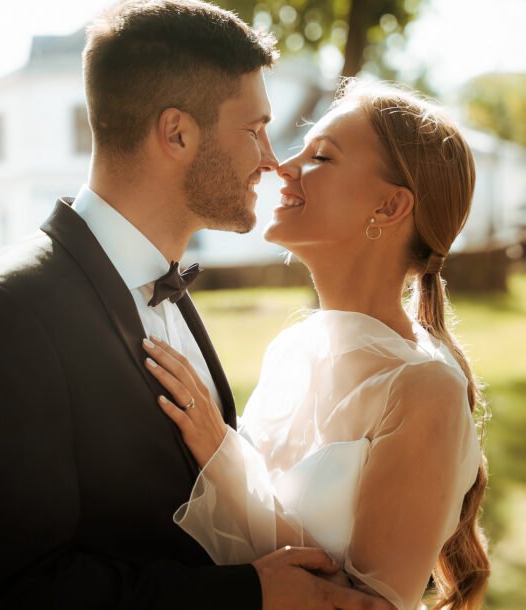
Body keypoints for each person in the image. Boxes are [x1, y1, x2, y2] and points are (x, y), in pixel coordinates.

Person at [0, 1, 392, 609]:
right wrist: (247, 595)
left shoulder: (168, 291)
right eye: (254, 130)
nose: (271, 159)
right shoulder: (3, 314)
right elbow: (9, 591)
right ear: (177, 132)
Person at [142, 80, 491, 610]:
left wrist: (222, 454)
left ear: (390, 206)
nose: (282, 166)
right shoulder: (291, 349)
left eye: (321, 157)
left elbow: (368, 605)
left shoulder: (425, 390)